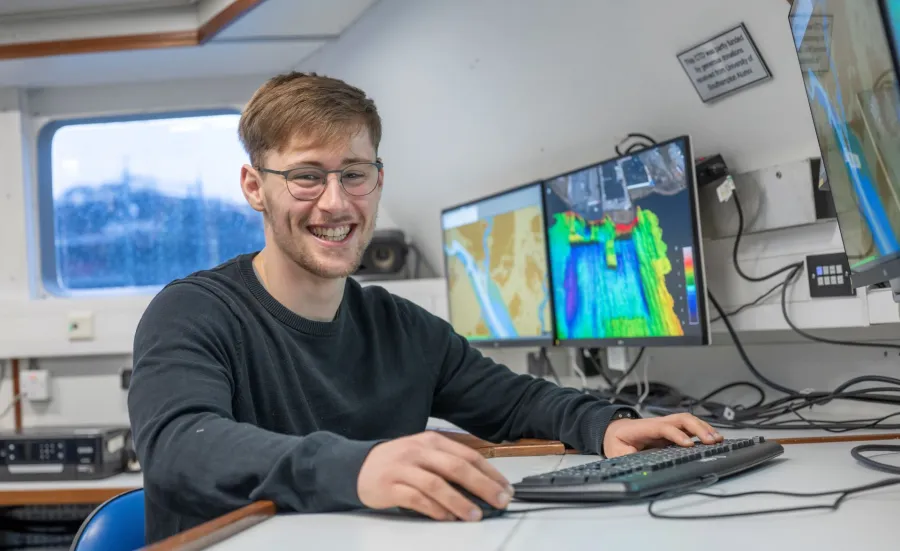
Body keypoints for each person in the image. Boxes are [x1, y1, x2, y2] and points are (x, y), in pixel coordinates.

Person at [127, 71, 724, 544]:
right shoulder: (191, 313)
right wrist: (357, 468)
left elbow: (516, 401)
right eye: (306, 176)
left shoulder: (399, 327)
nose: (335, 203)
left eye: (354, 174)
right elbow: (181, 446)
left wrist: (607, 423)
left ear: (378, 180)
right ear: (255, 187)